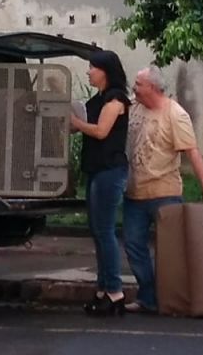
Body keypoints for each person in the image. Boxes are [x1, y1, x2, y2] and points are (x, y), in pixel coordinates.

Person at [123, 65, 203, 314]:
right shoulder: (134, 108)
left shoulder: (175, 114)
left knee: (170, 253)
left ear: (153, 88)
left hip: (164, 193)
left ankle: (171, 299)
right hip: (134, 193)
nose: (134, 88)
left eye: (138, 84)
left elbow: (192, 151)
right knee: (133, 245)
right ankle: (148, 296)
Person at [70, 50, 131, 317]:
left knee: (105, 231)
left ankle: (115, 291)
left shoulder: (116, 99)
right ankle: (103, 288)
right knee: (96, 230)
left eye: (93, 67)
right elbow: (84, 125)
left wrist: (75, 122)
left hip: (110, 169)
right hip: (95, 168)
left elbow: (100, 131)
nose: (89, 72)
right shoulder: (96, 99)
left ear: (105, 70)